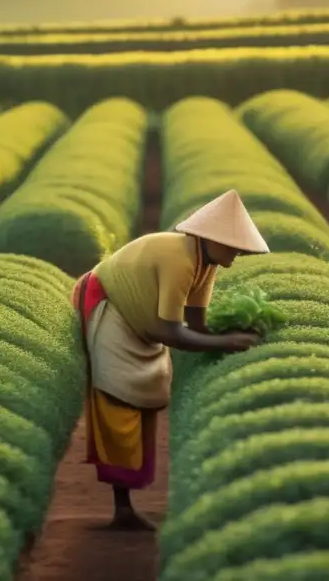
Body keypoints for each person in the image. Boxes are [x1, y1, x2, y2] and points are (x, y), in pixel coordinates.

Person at [71, 189, 270, 531]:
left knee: (149, 393)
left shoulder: (206, 264)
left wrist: (236, 330)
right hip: (108, 305)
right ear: (213, 239)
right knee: (119, 397)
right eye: (234, 246)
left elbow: (195, 324)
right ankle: (122, 508)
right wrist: (225, 342)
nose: (237, 253)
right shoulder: (180, 259)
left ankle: (128, 503)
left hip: (141, 321)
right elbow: (171, 333)